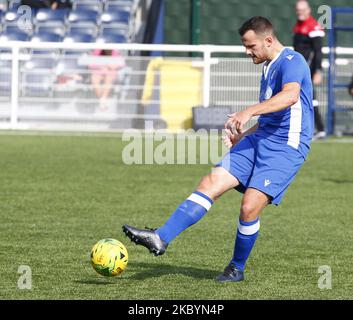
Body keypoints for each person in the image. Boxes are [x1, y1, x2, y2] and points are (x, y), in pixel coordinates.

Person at [122, 16, 314, 282]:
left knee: (249, 207)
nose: (248, 52)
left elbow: (290, 95)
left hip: (286, 147)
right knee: (212, 179)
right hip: (259, 140)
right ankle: (160, 237)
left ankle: (236, 268)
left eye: (251, 46)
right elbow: (271, 117)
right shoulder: (268, 66)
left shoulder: (293, 61)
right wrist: (244, 135)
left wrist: (248, 111)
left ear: (268, 40)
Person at [293, 0, 326, 140]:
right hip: (299, 69)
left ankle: (319, 128)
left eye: (302, 10)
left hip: (309, 70)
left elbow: (318, 51)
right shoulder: (298, 25)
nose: (300, 12)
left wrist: (318, 71)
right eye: (298, 10)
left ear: (308, 10)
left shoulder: (313, 27)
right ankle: (312, 128)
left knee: (310, 99)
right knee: (302, 99)